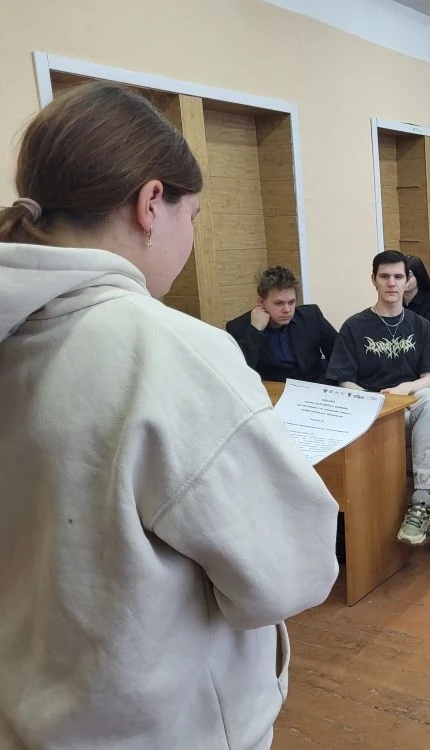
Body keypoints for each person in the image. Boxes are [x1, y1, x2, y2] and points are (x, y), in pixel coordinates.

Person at [0, 82, 340, 749]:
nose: (191, 234)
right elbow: (290, 571)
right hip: (160, 727)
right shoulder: (167, 351)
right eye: (195, 215)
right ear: (151, 203)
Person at [326, 250, 430, 566]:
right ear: (374, 280)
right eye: (385, 276)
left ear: (407, 281)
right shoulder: (354, 326)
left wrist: (404, 390)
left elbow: (428, 380)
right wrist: (373, 399)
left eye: (398, 277)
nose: (392, 283)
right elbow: (343, 380)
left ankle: (420, 503)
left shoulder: (421, 326)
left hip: (410, 410)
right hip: (372, 414)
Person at [226, 264, 338, 383]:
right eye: (278, 303)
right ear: (261, 302)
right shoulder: (238, 327)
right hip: (273, 390)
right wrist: (256, 330)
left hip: (315, 385)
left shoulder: (311, 317)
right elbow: (239, 374)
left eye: (291, 302)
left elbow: (339, 355)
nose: (287, 310)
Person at [403, 254, 430, 331]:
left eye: (409, 276)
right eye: (400, 276)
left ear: (418, 276)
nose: (404, 280)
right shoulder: (394, 299)